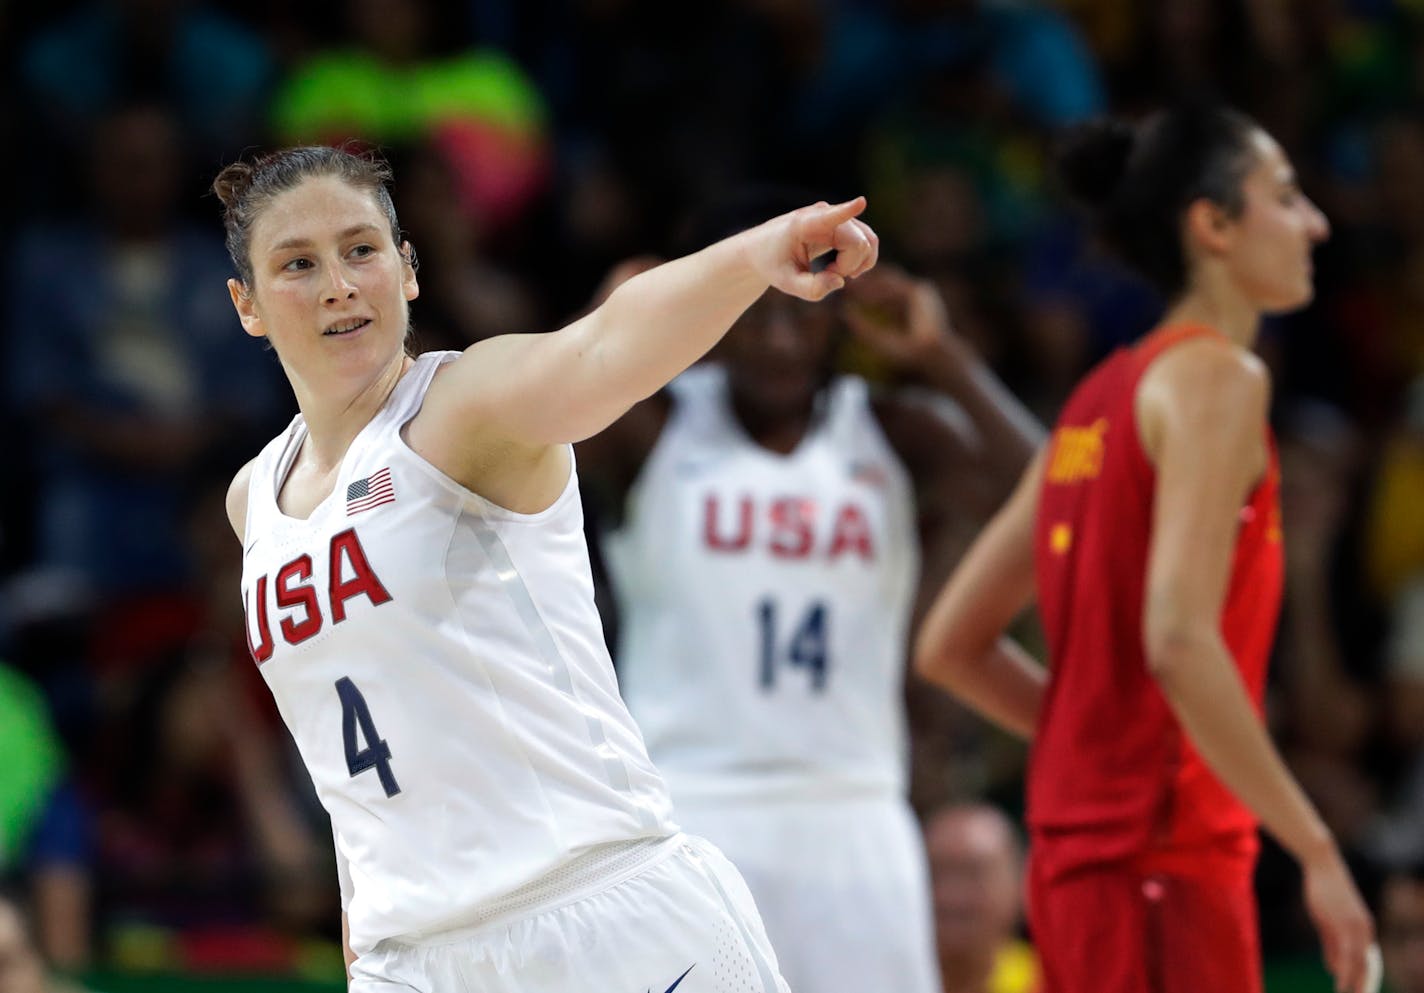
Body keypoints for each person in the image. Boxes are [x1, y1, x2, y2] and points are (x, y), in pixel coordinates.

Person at [212, 144, 877, 992]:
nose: (338, 283)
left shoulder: (464, 407)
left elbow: (603, 343)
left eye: (361, 249)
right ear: (248, 305)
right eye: (297, 264)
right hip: (408, 954)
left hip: (598, 912)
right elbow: (355, 769)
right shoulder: (253, 500)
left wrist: (753, 256)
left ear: (408, 269)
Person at [912, 105, 1377, 993]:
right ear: (1213, 224)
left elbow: (950, 644)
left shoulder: (1095, 400)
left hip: (1081, 866)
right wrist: (1317, 846)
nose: (1315, 220)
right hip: (1163, 864)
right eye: (1284, 196)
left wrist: (1100, 740)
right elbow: (1179, 637)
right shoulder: (1218, 378)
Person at [577, 189, 1040, 993]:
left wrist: (945, 357)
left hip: (854, 805)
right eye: (753, 316)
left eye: (799, 315)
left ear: (837, 312)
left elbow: (1058, 496)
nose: (780, 342)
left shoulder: (896, 432)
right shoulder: (650, 429)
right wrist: (608, 319)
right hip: (688, 805)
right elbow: (535, 423)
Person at [923, 803, 1039, 993]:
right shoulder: (884, 979)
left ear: (1021, 885)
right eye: (935, 873)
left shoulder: (1050, 981)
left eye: (973, 874)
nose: (951, 897)